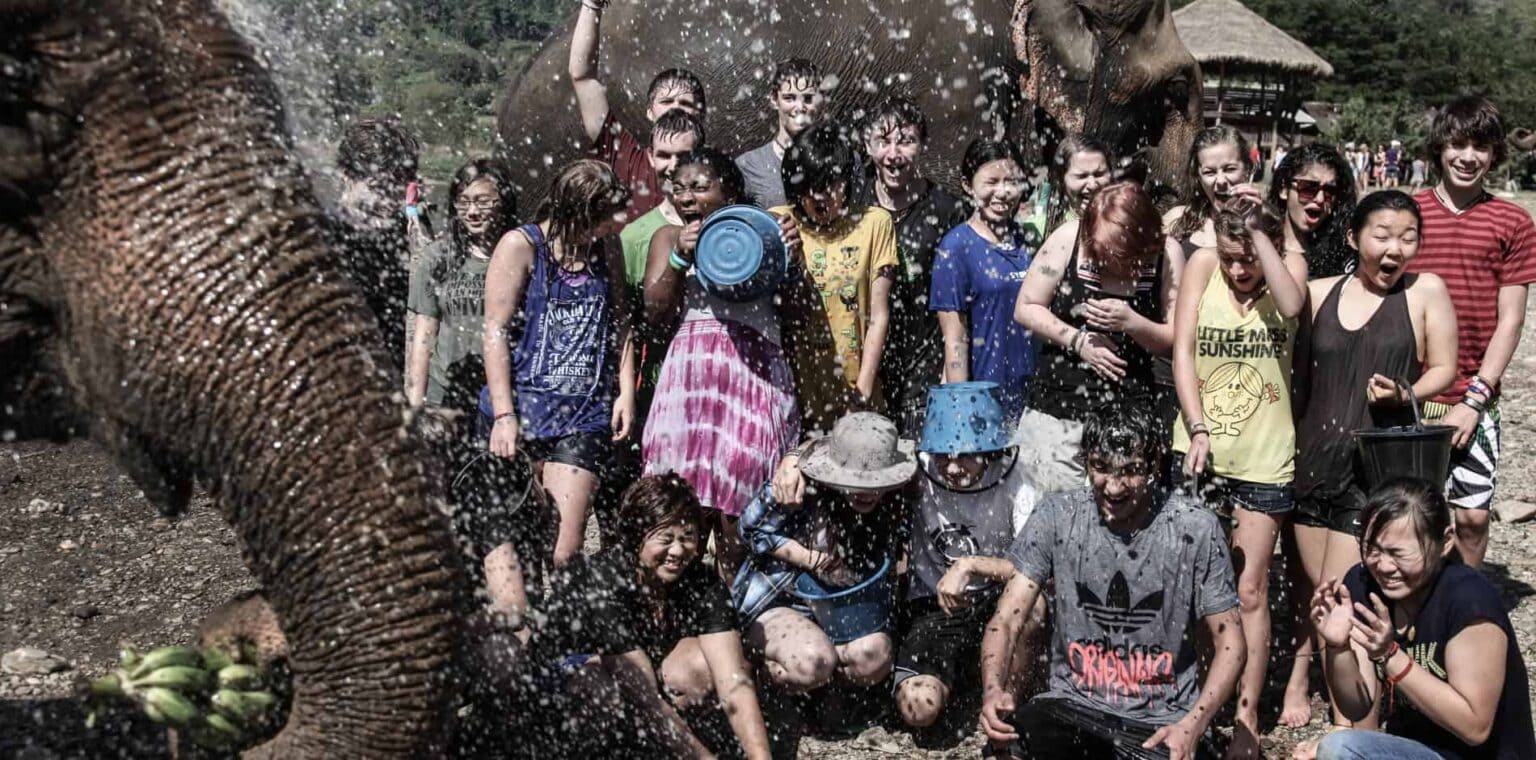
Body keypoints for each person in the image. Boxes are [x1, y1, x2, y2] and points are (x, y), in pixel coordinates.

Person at [977, 409, 1244, 760]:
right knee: (1008, 750)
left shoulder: (1195, 529)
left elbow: (1231, 643)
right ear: (1086, 462)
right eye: (1101, 467)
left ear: (1153, 467)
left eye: (1131, 471)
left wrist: (1194, 724)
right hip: (1072, 706)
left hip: (1163, 719)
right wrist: (994, 690)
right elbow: (1007, 619)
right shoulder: (1057, 516)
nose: (1114, 487)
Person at [1290, 191, 1458, 731]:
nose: (1396, 249)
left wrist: (1402, 389)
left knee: (1347, 597)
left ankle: (1350, 729)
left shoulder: (1424, 290)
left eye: (1408, 237)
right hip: (1312, 462)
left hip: (1372, 472)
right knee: (1319, 597)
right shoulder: (1318, 293)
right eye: (1382, 235)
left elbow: (1446, 368)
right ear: (1353, 238)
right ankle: (1328, 697)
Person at [1172, 207, 1306, 758]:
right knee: (1200, 589)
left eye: (1246, 258)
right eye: (1230, 259)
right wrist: (1197, 425)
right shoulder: (1204, 265)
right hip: (1202, 450)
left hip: (1265, 457)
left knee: (1249, 591)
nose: (1238, 270)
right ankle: (1202, 704)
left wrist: (1259, 239)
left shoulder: (1286, 271)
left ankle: (1247, 717)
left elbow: (1294, 305)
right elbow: (1182, 349)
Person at [641, 148, 801, 577]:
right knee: (678, 508)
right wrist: (679, 256)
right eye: (680, 188)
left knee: (742, 510)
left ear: (729, 191)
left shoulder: (765, 228)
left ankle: (737, 615)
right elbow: (655, 310)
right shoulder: (666, 236)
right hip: (691, 383)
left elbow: (796, 311)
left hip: (751, 377)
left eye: (699, 187)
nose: (687, 197)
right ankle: (679, 615)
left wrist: (790, 256)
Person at [540, 474, 774, 759]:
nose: (677, 551)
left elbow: (734, 684)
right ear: (636, 536)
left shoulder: (701, 582)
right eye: (666, 539)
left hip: (641, 676)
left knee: (702, 663)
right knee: (601, 687)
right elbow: (646, 700)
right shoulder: (602, 582)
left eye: (687, 537)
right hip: (558, 683)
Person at [482, 159, 637, 568]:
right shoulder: (521, 246)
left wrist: (626, 393)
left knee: (562, 552)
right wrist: (503, 415)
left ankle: (562, 615)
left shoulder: (607, 249)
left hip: (584, 414)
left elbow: (621, 322)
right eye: (605, 218)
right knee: (520, 544)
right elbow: (494, 330)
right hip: (524, 410)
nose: (614, 225)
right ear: (576, 213)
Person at [1311, 479, 1535, 760]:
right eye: (1372, 549)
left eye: (1398, 553)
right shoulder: (1363, 585)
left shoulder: (1469, 600)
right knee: (1340, 746)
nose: (1383, 565)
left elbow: (1474, 727)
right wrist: (1337, 648)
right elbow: (1357, 705)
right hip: (1418, 750)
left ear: (1445, 542)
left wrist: (1390, 655)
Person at [1407, 95, 1536, 568]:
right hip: (1411, 391)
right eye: (1457, 144)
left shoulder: (1513, 222)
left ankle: (1464, 613)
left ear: (1495, 154)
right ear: (1439, 147)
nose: (1467, 157)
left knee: (1473, 519)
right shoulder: (1407, 214)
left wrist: (1475, 401)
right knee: (1410, 515)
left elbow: (1512, 320)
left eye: (1480, 146)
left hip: (1474, 395)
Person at [891, 383, 1043, 730]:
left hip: (996, 603)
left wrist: (970, 565)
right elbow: (853, 459)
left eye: (966, 456)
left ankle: (1008, 707)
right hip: (933, 605)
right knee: (919, 708)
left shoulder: (1016, 479)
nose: (954, 468)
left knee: (1034, 605)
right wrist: (794, 460)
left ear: (990, 451)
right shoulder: (915, 470)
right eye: (944, 455)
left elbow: (1036, 563)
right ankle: (956, 680)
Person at [1014, 181, 1180, 492]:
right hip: (1058, 410)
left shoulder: (1167, 254)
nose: (1109, 263)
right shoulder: (1067, 237)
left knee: (1120, 523)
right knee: (1052, 516)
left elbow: (1175, 340)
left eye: (1120, 255)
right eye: (1101, 253)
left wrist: (1133, 322)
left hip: (1128, 414)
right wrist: (1077, 340)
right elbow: (1026, 307)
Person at [734, 412, 914, 693]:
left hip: (843, 609)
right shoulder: (800, 487)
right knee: (814, 661)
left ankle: (825, 697)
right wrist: (808, 558)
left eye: (874, 482)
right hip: (781, 604)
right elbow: (748, 530)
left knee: (874, 655)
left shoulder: (896, 499)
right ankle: (763, 686)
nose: (864, 492)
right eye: (854, 480)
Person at [853, 96, 970, 435]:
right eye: (883, 141)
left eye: (906, 141)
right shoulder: (853, 205)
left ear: (922, 145)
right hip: (864, 368)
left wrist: (952, 378)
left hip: (924, 367)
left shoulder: (948, 210)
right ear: (867, 144)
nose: (894, 154)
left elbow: (959, 305)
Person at [773, 122, 898, 434]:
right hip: (793, 393)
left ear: (847, 181)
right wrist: (788, 256)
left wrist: (861, 395)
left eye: (830, 185)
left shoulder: (874, 223)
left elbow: (879, 317)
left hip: (857, 391)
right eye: (809, 187)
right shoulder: (778, 222)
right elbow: (775, 307)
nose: (820, 197)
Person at [568, 0, 706, 222]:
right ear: (649, 112)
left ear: (701, 114)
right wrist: (591, 5)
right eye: (667, 101)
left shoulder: (716, 170)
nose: (675, 110)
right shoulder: (624, 155)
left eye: (685, 103)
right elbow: (582, 77)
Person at [931, 139, 1037, 423]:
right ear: (968, 185)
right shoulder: (955, 247)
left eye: (1011, 182)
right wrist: (961, 408)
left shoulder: (1029, 241)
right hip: (984, 397)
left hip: (1034, 398)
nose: (1002, 192)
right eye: (991, 182)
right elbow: (954, 339)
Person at [407, 159, 518, 411]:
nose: (472, 212)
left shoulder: (520, 254)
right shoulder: (438, 257)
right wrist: (415, 405)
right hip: (446, 394)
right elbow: (424, 334)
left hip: (504, 396)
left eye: (482, 201)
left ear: (504, 201)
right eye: (463, 202)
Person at [333, 117, 427, 368]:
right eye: (378, 187)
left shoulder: (397, 237)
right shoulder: (324, 242)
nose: (388, 202)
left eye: (396, 189)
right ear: (345, 176)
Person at [737, 58, 823, 209]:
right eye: (789, 98)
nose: (799, 107)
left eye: (808, 99)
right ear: (774, 100)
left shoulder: (844, 159)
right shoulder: (748, 166)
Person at [1265, 143, 1358, 279]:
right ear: (1284, 190)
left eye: (1329, 191)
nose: (1320, 199)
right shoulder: (1258, 246)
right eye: (1309, 188)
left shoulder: (1342, 260)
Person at [1020, 136, 1113, 251]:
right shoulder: (1037, 229)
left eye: (1099, 174)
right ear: (1061, 179)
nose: (1092, 185)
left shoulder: (1125, 223)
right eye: (1081, 176)